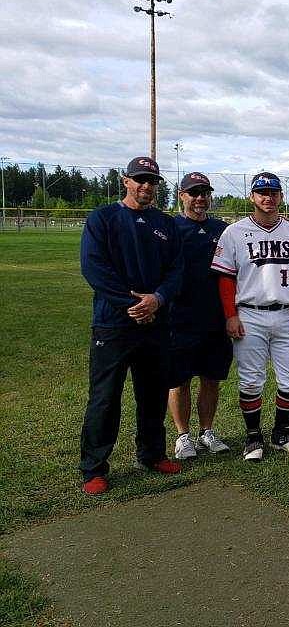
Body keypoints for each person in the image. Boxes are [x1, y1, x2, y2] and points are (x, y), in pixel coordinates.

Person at [78, 156, 184, 495]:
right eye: (140, 180)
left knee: (152, 395)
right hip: (113, 325)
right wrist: (134, 304)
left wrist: (158, 300)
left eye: (152, 181)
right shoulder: (103, 218)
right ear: (126, 181)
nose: (146, 186)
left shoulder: (165, 224)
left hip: (154, 324)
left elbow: (176, 271)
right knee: (105, 398)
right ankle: (94, 468)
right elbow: (95, 269)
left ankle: (152, 454)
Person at [211, 171, 289, 461]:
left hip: (285, 314)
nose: (268, 197)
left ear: (281, 196)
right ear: (252, 196)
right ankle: (253, 437)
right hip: (250, 314)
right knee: (251, 380)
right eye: (262, 192)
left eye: (273, 192)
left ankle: (281, 432)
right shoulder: (235, 232)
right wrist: (230, 315)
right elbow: (225, 278)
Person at [168, 172, 232, 459]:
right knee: (179, 380)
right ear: (182, 195)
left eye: (205, 193)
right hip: (179, 317)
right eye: (194, 193)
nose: (200, 199)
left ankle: (207, 431)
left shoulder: (222, 229)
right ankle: (183, 436)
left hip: (215, 317)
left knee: (211, 378)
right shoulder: (170, 228)